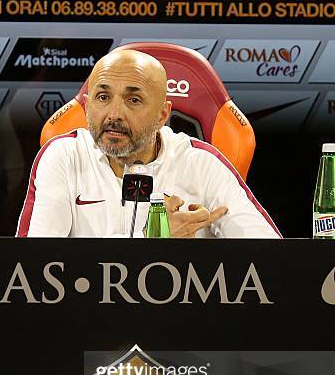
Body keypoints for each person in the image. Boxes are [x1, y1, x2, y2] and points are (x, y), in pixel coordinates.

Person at [17, 49, 281, 238]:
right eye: (102, 97)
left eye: (133, 100)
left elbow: (271, 259)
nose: (114, 114)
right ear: (86, 107)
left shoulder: (202, 163)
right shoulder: (62, 156)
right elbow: (35, 266)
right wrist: (154, 239)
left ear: (162, 115)